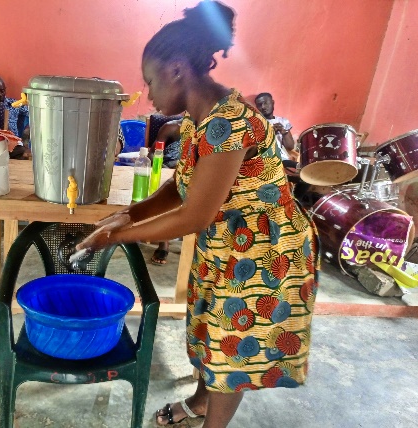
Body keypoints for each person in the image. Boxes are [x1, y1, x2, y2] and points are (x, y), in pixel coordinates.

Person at [75, 2, 320, 427]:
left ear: (175, 70)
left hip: (263, 250)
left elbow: (195, 215)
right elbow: (179, 187)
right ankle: (201, 401)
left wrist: (115, 237)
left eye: (150, 81)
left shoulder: (230, 123)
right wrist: (126, 216)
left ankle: (214, 423)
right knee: (210, 329)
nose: (148, 94)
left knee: (233, 344)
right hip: (228, 245)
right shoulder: (198, 120)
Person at [149, 117, 183, 265]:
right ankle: (164, 242)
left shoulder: (212, 129)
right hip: (167, 170)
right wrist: (162, 170)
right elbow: (152, 153)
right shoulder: (171, 128)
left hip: (193, 173)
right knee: (167, 195)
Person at [0, 76, 31, 159]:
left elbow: (32, 113)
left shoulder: (14, 104)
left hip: (13, 143)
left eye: (2, 91)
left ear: (5, 89)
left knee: (26, 155)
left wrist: (26, 136)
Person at [254, 92, 297, 163]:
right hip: (265, 159)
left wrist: (284, 133)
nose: (263, 107)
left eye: (265, 103)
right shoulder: (256, 123)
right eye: (259, 105)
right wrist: (270, 134)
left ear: (272, 102)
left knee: (299, 169)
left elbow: (290, 147)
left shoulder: (283, 121)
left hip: (282, 159)